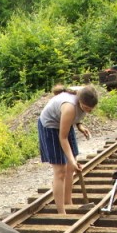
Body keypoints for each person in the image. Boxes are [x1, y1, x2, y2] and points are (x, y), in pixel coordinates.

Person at [37, 84, 99, 214]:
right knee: (60, 170)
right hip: (50, 127)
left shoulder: (85, 94)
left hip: (65, 123)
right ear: (80, 102)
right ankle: (61, 212)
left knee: (71, 168)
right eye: (86, 108)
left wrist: (79, 125)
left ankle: (68, 202)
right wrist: (71, 160)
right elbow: (63, 138)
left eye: (91, 110)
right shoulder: (69, 107)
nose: (88, 112)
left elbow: (78, 115)